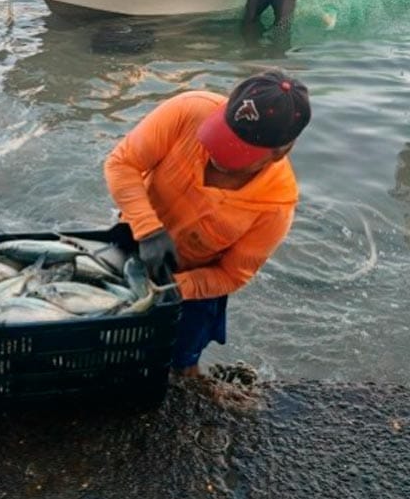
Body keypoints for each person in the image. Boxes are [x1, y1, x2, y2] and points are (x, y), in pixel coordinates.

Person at [104, 71, 311, 376]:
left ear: (281, 151)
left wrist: (174, 289)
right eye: (220, 137)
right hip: (135, 234)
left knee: (181, 361)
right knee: (110, 337)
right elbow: (122, 163)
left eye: (236, 153)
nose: (216, 155)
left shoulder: (275, 205)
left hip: (195, 282)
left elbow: (232, 274)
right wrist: (147, 228)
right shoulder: (189, 109)